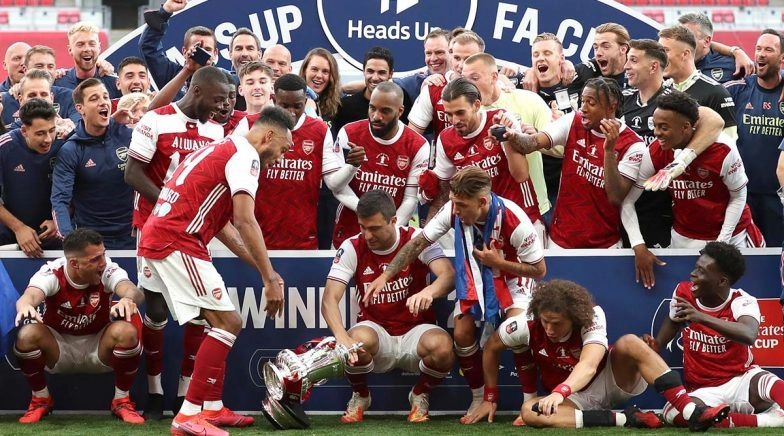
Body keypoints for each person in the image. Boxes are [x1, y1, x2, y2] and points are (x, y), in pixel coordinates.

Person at [138, 105, 293, 435]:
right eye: (283, 149)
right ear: (268, 136)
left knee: (212, 320)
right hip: (177, 239)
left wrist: (264, 269)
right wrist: (268, 277)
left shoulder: (221, 147)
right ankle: (188, 416)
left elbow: (224, 225)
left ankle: (211, 406)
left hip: (166, 236)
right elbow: (245, 220)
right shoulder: (247, 156)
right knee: (228, 321)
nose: (280, 158)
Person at [364, 166, 546, 420]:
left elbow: (538, 270)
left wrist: (500, 264)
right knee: (461, 331)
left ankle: (528, 403)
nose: (456, 211)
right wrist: (386, 275)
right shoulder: (452, 209)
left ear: (482, 202)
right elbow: (418, 243)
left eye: (461, 205)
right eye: (453, 203)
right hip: (475, 278)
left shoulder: (516, 220)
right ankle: (480, 398)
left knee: (518, 330)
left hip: (513, 279)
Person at [467, 279, 730, 431]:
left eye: (557, 323)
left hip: (608, 379)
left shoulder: (592, 316)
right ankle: (627, 419)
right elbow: (491, 347)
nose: (549, 329)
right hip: (575, 400)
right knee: (529, 412)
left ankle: (691, 411)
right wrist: (490, 397)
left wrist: (560, 391)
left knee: (630, 342)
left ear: (575, 317)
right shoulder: (526, 325)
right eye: (545, 321)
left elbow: (589, 365)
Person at [125, 65, 229, 420]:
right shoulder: (155, 120)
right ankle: (154, 390)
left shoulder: (215, 130)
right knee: (155, 312)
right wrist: (170, 203)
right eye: (215, 100)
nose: (219, 108)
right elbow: (132, 173)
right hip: (154, 228)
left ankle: (186, 393)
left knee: (199, 314)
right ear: (196, 91)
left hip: (197, 232)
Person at [323, 189, 455, 423]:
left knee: (443, 348)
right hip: (377, 331)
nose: (367, 234)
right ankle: (361, 396)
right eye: (362, 227)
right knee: (353, 341)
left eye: (374, 228)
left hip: (416, 332)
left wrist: (429, 291)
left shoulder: (417, 238)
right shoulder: (353, 246)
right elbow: (329, 299)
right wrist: (342, 337)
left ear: (393, 221)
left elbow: (447, 275)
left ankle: (420, 394)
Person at [13, 228, 145, 424]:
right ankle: (41, 399)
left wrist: (128, 298)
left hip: (97, 346)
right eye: (94, 260)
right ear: (74, 263)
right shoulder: (53, 273)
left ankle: (121, 401)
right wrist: (24, 306)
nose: (102, 263)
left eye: (103, 255)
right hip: (59, 347)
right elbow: (30, 296)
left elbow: (133, 290)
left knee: (126, 331)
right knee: (27, 334)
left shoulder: (107, 269)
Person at [646, 242, 784, 428]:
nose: (693, 274)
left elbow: (749, 334)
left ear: (721, 281)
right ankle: (768, 421)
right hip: (702, 389)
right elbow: (673, 321)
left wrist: (701, 318)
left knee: (770, 382)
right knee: (673, 413)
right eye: (696, 267)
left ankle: (736, 417)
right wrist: (658, 344)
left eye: (702, 271)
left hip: (741, 379)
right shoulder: (684, 292)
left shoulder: (742, 300)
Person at [503, 77, 646, 249]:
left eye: (591, 103)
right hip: (560, 240)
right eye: (582, 101)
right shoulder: (573, 121)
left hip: (605, 245)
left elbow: (616, 197)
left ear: (611, 106)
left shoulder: (633, 145)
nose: (583, 108)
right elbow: (533, 143)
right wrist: (512, 135)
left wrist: (609, 151)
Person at [623, 91, 755, 254]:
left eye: (664, 127)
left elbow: (739, 196)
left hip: (732, 236)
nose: (656, 133)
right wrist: (638, 245)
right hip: (684, 237)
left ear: (685, 127)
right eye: (654, 126)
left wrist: (722, 243)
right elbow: (627, 201)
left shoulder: (723, 149)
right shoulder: (656, 151)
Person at [424, 78, 543, 237]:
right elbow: (444, 191)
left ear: (477, 105)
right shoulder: (445, 139)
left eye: (460, 112)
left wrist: (506, 137)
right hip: (481, 227)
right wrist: (428, 232)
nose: (454, 121)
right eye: (449, 114)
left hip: (522, 217)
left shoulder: (501, 120)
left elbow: (520, 175)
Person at [255, 73, 359, 249]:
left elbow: (333, 183)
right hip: (258, 238)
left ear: (305, 100)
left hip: (303, 239)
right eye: (284, 106)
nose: (291, 112)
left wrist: (351, 166)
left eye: (297, 105)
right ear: (273, 99)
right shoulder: (251, 126)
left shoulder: (319, 131)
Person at [331, 81, 428, 248]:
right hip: (348, 232)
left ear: (400, 111)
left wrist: (389, 231)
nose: (376, 116)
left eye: (385, 111)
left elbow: (411, 198)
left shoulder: (418, 145)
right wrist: (364, 210)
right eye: (372, 108)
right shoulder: (349, 133)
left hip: (391, 236)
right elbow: (336, 186)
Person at [462, 53, 553, 221]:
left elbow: (559, 147)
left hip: (534, 206)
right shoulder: (466, 116)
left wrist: (536, 140)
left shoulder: (529, 100)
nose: (468, 86)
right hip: (489, 212)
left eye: (474, 78)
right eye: (464, 79)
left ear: (494, 77)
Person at [50, 79, 134, 248]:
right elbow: (60, 201)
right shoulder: (71, 149)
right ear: (80, 108)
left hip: (133, 235)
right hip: (92, 242)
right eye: (94, 98)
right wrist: (69, 240)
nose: (103, 102)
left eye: (105, 97)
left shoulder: (128, 135)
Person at [724, 29, 784, 245]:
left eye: (769, 49)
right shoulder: (739, 89)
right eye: (758, 48)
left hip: (777, 199)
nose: (760, 54)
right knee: (745, 263)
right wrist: (736, 50)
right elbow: (701, 46)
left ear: (782, 57)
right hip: (743, 197)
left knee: (776, 260)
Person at [621, 39, 674, 249]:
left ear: (653, 67)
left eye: (633, 60)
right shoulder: (622, 101)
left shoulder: (675, 103)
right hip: (622, 203)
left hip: (659, 209)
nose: (626, 66)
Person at [0, 99, 63, 256]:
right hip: (10, 236)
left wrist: (58, 220)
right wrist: (18, 228)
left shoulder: (64, 144)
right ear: (24, 131)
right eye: (40, 133)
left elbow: (78, 191)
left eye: (51, 130)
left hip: (52, 235)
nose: (48, 139)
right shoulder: (5, 147)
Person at [658, 25, 737, 139]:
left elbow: (728, 145)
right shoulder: (662, 90)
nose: (660, 57)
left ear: (685, 54)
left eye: (665, 50)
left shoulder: (716, 93)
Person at [138, 0, 220, 100]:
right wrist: (165, 11)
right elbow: (148, 46)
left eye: (207, 49)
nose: (202, 53)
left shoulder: (226, 79)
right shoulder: (171, 75)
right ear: (184, 52)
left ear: (215, 53)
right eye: (197, 48)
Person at [408, 30, 483, 138]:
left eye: (468, 59)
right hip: (444, 153)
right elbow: (411, 138)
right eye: (457, 58)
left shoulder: (494, 87)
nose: (461, 65)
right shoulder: (433, 87)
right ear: (451, 55)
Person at [331, 46, 411, 137]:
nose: (375, 77)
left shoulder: (402, 98)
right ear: (363, 71)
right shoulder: (346, 106)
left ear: (391, 74)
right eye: (370, 71)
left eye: (381, 72)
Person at [2, 45, 81, 128]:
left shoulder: (69, 96)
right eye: (39, 66)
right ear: (25, 70)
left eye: (50, 66)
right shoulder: (5, 100)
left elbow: (79, 128)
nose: (46, 70)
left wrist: (68, 128)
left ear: (51, 97)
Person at [678, 13, 755, 84]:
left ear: (706, 41)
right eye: (678, 37)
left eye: (688, 37)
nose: (680, 43)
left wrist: (736, 52)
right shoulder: (671, 64)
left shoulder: (732, 66)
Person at [54, 22, 120, 99]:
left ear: (99, 48)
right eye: (80, 44)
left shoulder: (115, 84)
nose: (87, 49)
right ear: (70, 50)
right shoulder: (58, 83)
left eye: (92, 44)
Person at [299, 48, 342, 124]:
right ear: (305, 70)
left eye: (325, 71)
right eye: (314, 69)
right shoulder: (291, 101)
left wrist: (344, 88)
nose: (319, 75)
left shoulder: (339, 103)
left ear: (332, 76)